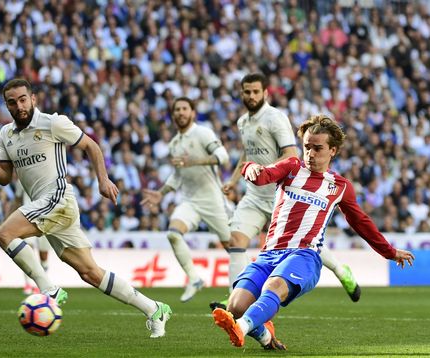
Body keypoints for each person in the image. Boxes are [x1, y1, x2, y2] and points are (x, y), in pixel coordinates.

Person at [0, 78, 171, 338]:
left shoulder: (52, 122)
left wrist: (102, 179)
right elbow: (5, 177)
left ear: (33, 99)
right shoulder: (6, 135)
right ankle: (155, 309)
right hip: (47, 206)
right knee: (90, 273)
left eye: (23, 99)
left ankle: (48, 289)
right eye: (12, 102)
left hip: (57, 197)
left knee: (4, 234)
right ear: (7, 105)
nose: (19, 106)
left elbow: (91, 145)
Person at [212, 114, 415, 350]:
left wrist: (389, 252)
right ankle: (266, 337)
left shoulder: (340, 186)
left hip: (304, 256)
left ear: (333, 151)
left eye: (317, 148)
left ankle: (242, 328)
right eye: (307, 147)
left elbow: (361, 222)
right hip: (270, 253)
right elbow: (262, 175)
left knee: (273, 288)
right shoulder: (291, 168)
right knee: (236, 306)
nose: (310, 153)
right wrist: (251, 168)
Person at [211, 73, 360, 311]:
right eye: (246, 92)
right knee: (235, 240)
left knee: (302, 245)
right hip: (254, 194)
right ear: (241, 94)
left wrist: (266, 172)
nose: (251, 96)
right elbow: (247, 153)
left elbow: (291, 154)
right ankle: (234, 296)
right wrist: (234, 178)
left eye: (255, 91)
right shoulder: (242, 122)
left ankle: (342, 271)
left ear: (265, 93)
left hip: (283, 195)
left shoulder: (275, 118)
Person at [141, 97, 231, 302]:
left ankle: (244, 289)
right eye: (177, 110)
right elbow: (178, 175)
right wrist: (161, 193)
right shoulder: (174, 144)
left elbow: (222, 156)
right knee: (173, 234)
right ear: (173, 115)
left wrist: (196, 161)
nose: (181, 112)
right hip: (190, 201)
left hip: (212, 200)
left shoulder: (202, 132)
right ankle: (194, 278)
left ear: (192, 112)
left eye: (184, 109)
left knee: (232, 247)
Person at [13, 180, 51, 295]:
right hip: (28, 218)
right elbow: (18, 199)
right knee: (27, 250)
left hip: (45, 218)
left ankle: (42, 285)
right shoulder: (21, 179)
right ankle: (27, 284)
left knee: (44, 255)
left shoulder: (48, 176)